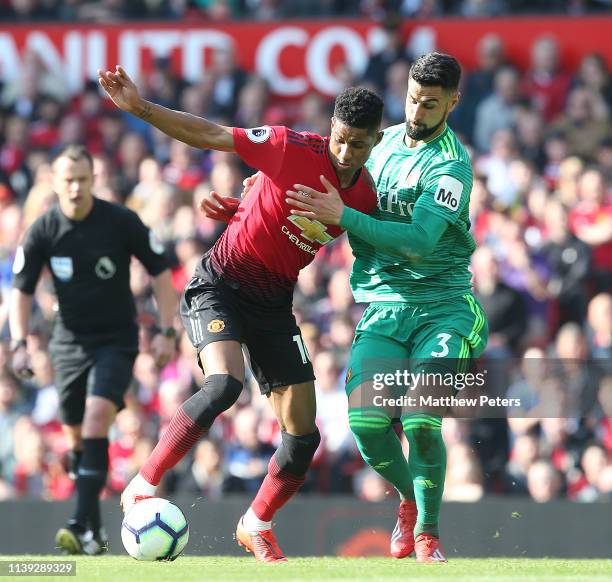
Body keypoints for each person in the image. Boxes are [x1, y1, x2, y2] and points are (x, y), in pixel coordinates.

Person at [97, 65, 383, 563]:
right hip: (219, 286)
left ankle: (256, 523)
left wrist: (248, 208)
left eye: (357, 144)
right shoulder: (289, 146)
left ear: (374, 141)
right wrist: (141, 109)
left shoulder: (364, 199)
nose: (344, 153)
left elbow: (362, 239)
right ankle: (142, 483)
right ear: (329, 129)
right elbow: (211, 134)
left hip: (274, 305)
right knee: (224, 384)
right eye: (339, 139)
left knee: (303, 436)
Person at [285, 53, 489, 563]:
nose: (418, 111)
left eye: (431, 104)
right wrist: (250, 198)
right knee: (368, 427)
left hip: (445, 308)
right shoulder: (377, 143)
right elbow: (314, 173)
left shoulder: (451, 166)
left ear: (453, 103)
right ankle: (408, 500)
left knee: (420, 420)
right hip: (384, 306)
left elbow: (421, 240)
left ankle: (428, 535)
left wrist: (345, 215)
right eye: (413, 99)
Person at [9, 144, 177, 555]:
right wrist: (18, 343)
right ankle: (93, 532)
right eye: (68, 180)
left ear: (93, 180)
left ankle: (77, 523)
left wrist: (166, 331)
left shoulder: (119, 221)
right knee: (78, 442)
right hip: (66, 343)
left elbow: (160, 272)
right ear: (55, 182)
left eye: (83, 179)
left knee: (98, 416)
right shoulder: (43, 229)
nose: (76, 187)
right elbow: (21, 289)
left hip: (116, 340)